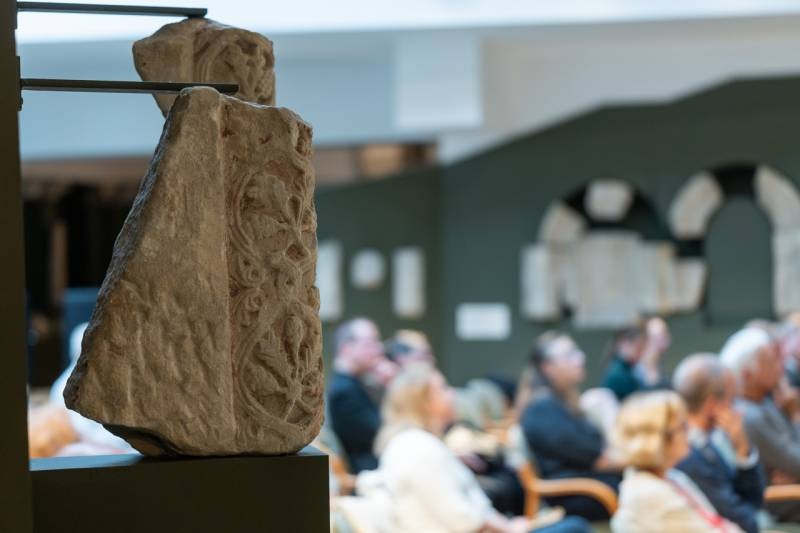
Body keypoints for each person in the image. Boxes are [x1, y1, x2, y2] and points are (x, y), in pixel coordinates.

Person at [360, 364, 590, 533]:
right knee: (575, 527)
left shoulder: (415, 444)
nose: (453, 394)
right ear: (426, 404)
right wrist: (511, 527)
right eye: (443, 388)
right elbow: (463, 518)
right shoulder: (419, 447)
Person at [520, 332, 622, 521]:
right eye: (569, 354)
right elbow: (600, 459)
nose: (580, 358)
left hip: (590, 485)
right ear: (548, 367)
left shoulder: (563, 404)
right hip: (575, 494)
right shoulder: (543, 410)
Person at [611, 391, 743, 533]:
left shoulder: (671, 477)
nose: (689, 430)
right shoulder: (650, 494)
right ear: (659, 439)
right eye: (683, 426)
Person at [672, 353, 765, 533]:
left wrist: (743, 449)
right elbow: (743, 522)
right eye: (732, 400)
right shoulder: (687, 454)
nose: (737, 411)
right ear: (713, 404)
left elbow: (752, 500)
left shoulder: (708, 441)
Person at [720, 326, 800, 522]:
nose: (780, 366)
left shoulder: (766, 400)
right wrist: (796, 415)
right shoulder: (749, 415)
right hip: (781, 504)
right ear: (747, 374)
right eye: (771, 362)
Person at [327, 318, 386, 473]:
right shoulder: (344, 392)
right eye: (371, 343)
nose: (379, 349)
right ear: (347, 348)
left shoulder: (354, 384)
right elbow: (381, 434)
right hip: (365, 473)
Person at [601, 318, 668, 401]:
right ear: (623, 343)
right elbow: (640, 400)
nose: (640, 351)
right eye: (638, 347)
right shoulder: (618, 373)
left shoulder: (629, 368)